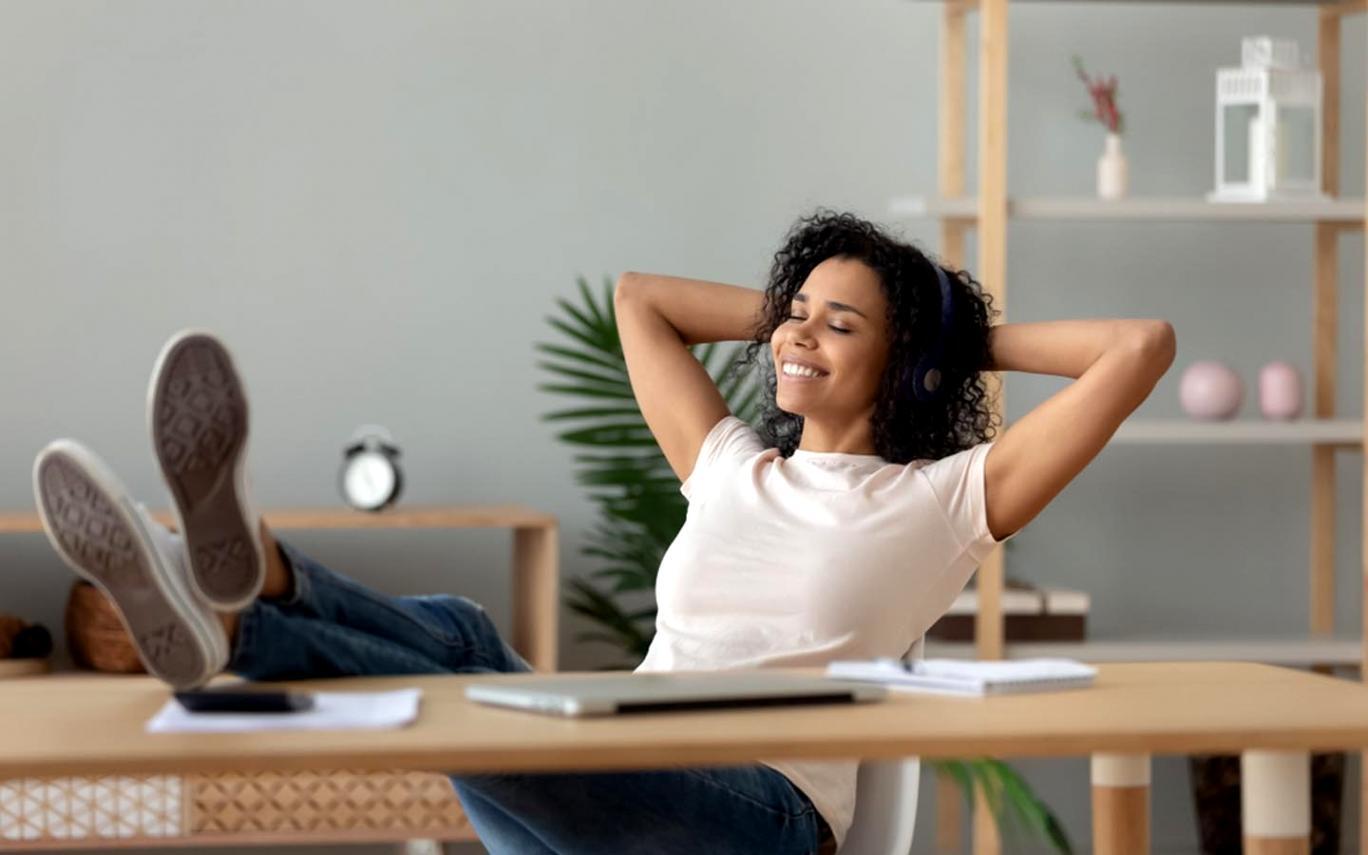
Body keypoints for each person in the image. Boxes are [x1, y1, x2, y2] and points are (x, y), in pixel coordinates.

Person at [32, 209, 1175, 854]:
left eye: (839, 326)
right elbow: (640, 297)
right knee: (464, 631)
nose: (795, 338)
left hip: (758, 819)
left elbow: (1139, 348)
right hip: (621, 765)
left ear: (905, 360)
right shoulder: (729, 464)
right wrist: (794, 313)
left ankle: (248, 607)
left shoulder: (940, 501)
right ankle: (253, 588)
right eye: (792, 315)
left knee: (487, 685)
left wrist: (943, 330)